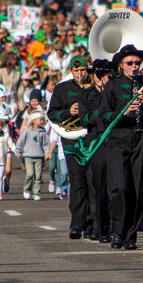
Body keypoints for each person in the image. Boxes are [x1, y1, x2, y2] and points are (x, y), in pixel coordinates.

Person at [97, 44, 143, 250]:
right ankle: (117, 232)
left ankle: (131, 236)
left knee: (139, 189)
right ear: (122, 65)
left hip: (141, 139)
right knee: (119, 188)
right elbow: (102, 116)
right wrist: (122, 112)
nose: (134, 66)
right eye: (130, 63)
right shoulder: (112, 86)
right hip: (117, 139)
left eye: (137, 63)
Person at [47, 55, 93, 239]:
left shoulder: (95, 88)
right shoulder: (62, 89)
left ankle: (91, 224)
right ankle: (76, 224)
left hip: (92, 140)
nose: (80, 74)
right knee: (77, 182)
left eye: (82, 70)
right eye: (76, 71)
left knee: (93, 182)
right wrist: (68, 111)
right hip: (73, 141)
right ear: (71, 71)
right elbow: (51, 113)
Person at [78, 59, 112, 240]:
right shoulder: (86, 95)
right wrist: (103, 111)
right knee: (96, 187)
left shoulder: (113, 92)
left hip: (113, 141)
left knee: (113, 187)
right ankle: (96, 226)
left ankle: (110, 227)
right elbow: (85, 120)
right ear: (93, 76)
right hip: (94, 143)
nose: (101, 78)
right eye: (98, 75)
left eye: (105, 75)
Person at [14, 111, 50, 201]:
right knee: (29, 174)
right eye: (40, 119)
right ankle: (27, 189)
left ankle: (36, 193)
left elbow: (46, 144)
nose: (42, 121)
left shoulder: (43, 132)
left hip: (39, 157)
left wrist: (47, 153)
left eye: (43, 120)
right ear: (33, 121)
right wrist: (18, 151)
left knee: (38, 176)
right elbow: (20, 141)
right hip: (28, 156)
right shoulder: (27, 131)